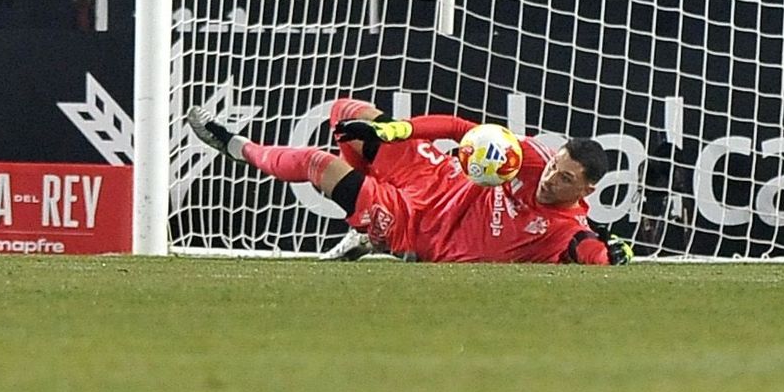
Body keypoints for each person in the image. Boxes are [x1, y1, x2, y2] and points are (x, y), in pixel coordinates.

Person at [185, 99, 633, 264]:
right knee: (349, 116)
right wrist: (396, 130)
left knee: (319, 164)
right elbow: (461, 130)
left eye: (565, 178)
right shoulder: (526, 156)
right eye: (556, 165)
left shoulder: (566, 232)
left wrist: (616, 254)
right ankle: (367, 228)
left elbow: (593, 254)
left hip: (418, 229)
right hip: (434, 179)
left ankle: (231, 144)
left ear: (585, 191)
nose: (551, 178)